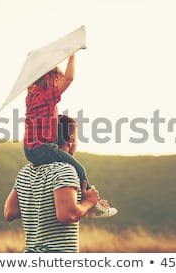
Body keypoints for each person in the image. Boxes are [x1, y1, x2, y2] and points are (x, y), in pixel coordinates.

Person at [22, 54, 116, 218]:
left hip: (28, 151)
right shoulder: (46, 97)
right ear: (52, 80)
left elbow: (33, 80)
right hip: (43, 148)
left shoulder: (30, 96)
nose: (60, 82)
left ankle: (76, 198)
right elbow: (69, 78)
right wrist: (71, 55)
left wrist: (39, 64)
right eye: (58, 79)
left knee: (50, 169)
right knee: (79, 169)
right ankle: (92, 205)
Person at [4, 115, 116, 253]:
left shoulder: (25, 172)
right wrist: (89, 202)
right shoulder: (65, 169)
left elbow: (10, 212)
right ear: (71, 139)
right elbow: (67, 215)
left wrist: (82, 205)